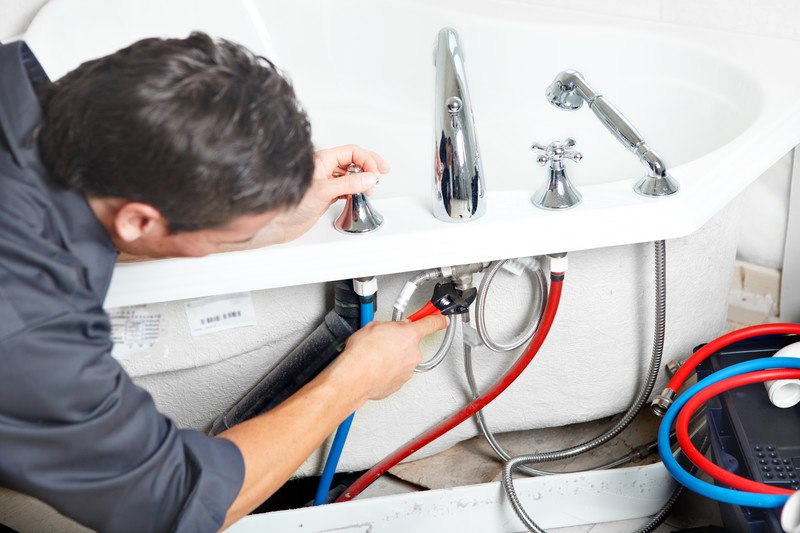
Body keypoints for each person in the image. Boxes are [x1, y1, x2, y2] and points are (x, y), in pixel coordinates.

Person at [0, 32, 447, 531]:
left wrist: (265, 220)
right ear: (139, 221)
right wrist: (355, 380)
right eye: (220, 237)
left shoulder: (22, 96)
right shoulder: (26, 322)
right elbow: (167, 503)